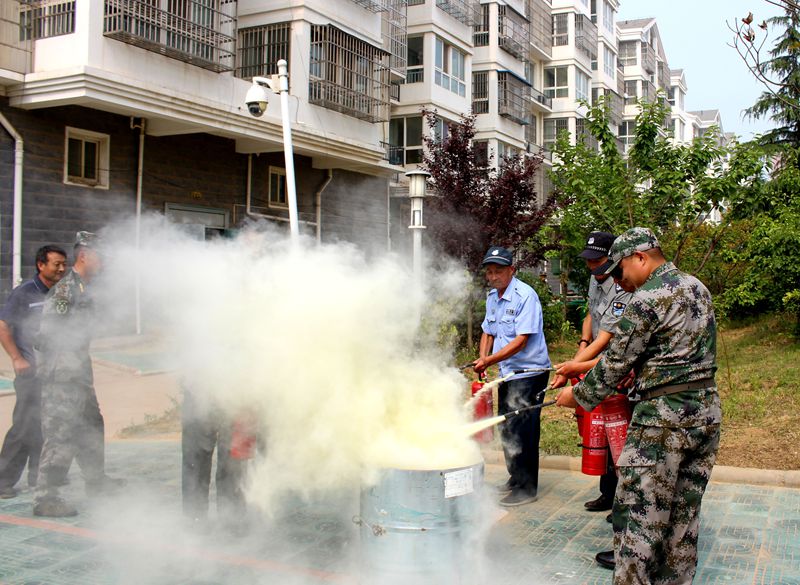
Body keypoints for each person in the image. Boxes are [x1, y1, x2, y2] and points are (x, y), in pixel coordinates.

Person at [556, 228, 720, 585]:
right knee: (682, 519)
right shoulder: (697, 287)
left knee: (638, 520)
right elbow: (678, 351)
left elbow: (614, 363)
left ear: (640, 257)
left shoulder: (646, 299)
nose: (619, 280)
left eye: (620, 270)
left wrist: (576, 396)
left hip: (662, 423)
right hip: (705, 416)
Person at [33, 232, 122, 517]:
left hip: (79, 373)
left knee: (92, 426)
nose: (104, 262)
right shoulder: (65, 290)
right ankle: (46, 498)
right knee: (61, 433)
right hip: (63, 376)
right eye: (100, 256)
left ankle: (96, 482)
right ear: (84, 255)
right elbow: (49, 332)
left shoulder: (84, 288)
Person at [553, 232, 633, 515]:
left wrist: (573, 367)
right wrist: (582, 345)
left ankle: (624, 501)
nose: (592, 267)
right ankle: (607, 493)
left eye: (597, 261)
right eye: (588, 261)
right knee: (599, 429)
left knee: (619, 434)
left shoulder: (624, 287)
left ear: (612, 259)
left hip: (617, 365)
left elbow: (606, 340)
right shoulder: (595, 279)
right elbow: (591, 315)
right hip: (594, 357)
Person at [472, 246, 551, 507]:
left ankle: (527, 488)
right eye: (489, 272)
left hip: (529, 373)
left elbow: (521, 340)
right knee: (507, 426)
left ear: (511, 270)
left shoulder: (525, 296)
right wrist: (483, 359)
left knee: (525, 429)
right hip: (506, 373)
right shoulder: (493, 298)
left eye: (498, 271)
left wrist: (490, 360)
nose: (493, 276)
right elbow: (488, 331)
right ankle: (515, 478)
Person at [0, 246, 67, 498]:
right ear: (41, 265)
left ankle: (38, 475)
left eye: (64, 264)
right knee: (24, 426)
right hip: (30, 372)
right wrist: (17, 358)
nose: (61, 269)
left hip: (53, 372)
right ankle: (3, 481)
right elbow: (3, 326)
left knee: (45, 425)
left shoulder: (61, 293)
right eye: (56, 264)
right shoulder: (24, 293)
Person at [181, 383, 247, 527]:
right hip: (200, 385)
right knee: (195, 452)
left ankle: (232, 515)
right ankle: (195, 515)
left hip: (238, 388)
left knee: (234, 458)